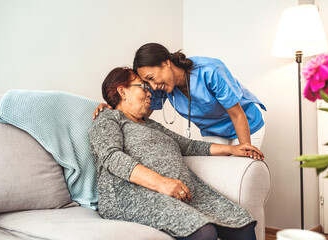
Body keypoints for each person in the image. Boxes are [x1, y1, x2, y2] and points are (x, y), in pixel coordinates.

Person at [89, 67, 264, 240]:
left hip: (178, 192)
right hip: (132, 195)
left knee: (242, 223)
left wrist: (233, 149)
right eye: (143, 87)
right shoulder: (108, 118)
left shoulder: (150, 124)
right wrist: (162, 183)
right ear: (122, 91)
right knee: (204, 232)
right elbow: (112, 157)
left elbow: (188, 146)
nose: (150, 93)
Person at [94, 43, 266, 149]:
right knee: (219, 179)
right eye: (147, 82)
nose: (153, 86)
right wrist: (113, 108)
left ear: (166, 63)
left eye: (152, 78)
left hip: (246, 123)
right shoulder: (160, 88)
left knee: (241, 171)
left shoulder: (209, 70)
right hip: (213, 131)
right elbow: (140, 115)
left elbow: (236, 114)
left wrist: (245, 148)